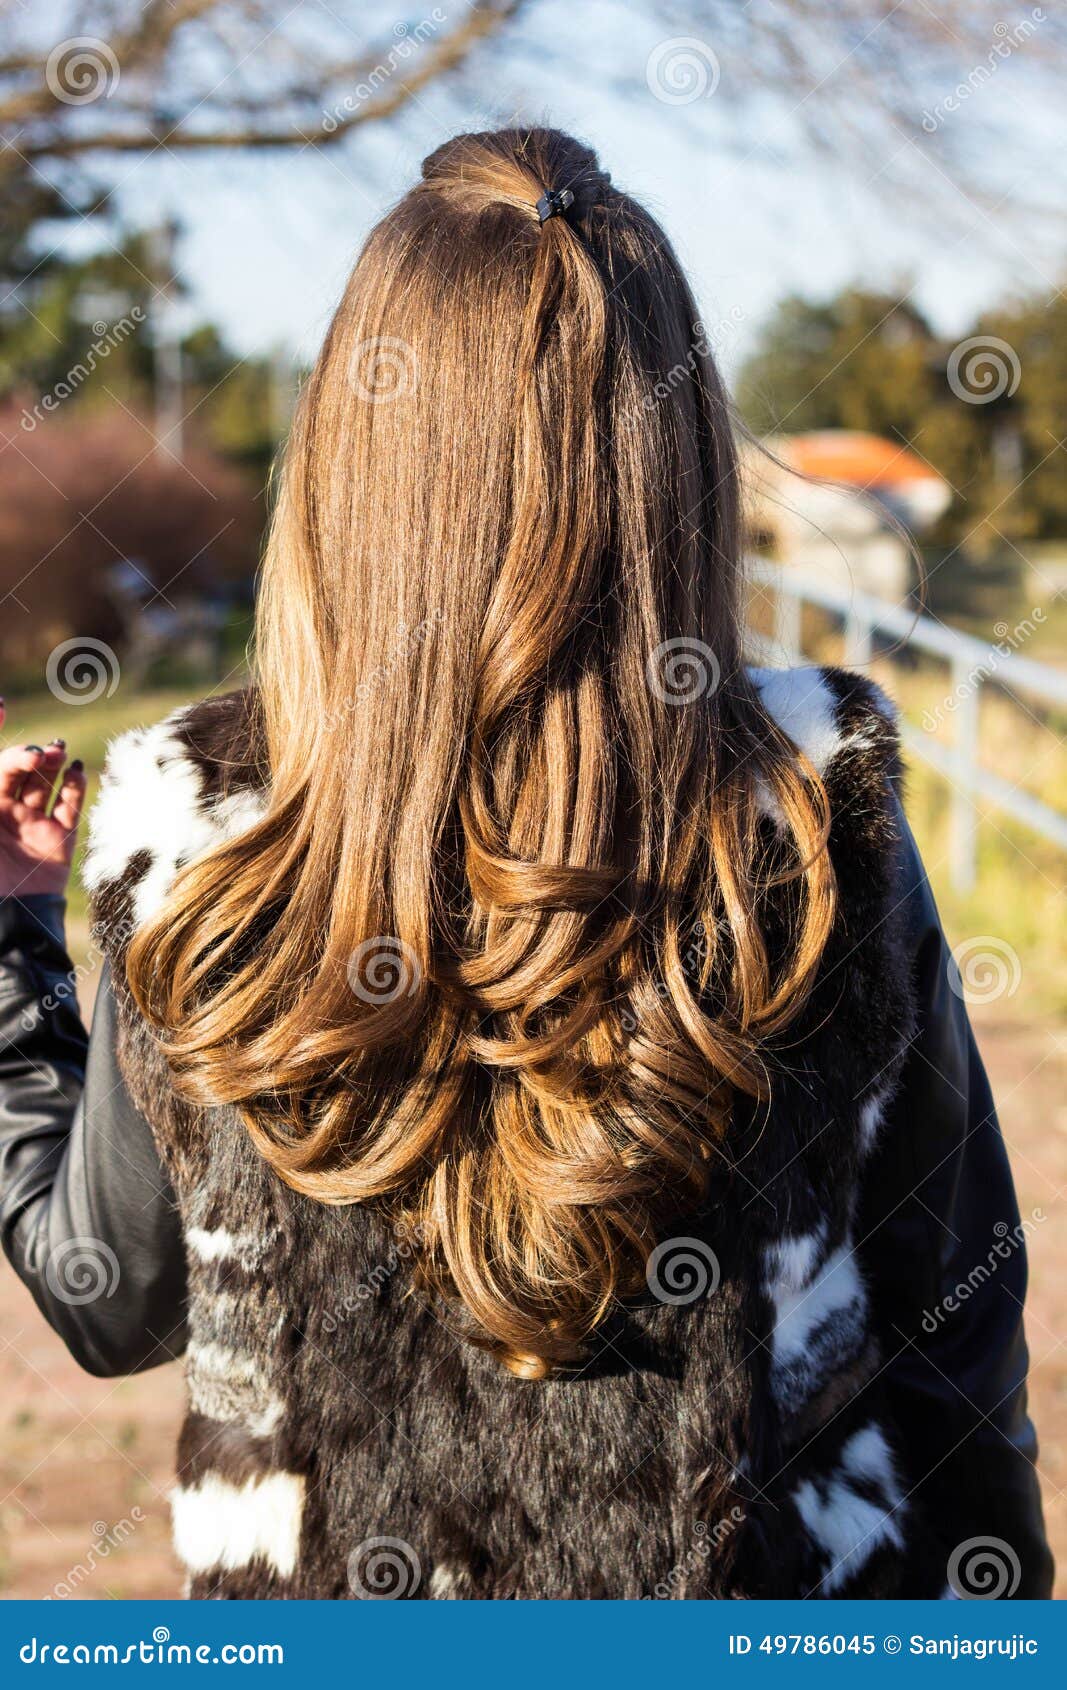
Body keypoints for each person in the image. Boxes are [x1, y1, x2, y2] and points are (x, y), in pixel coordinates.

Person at [0, 127, 1052, 1601]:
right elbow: (957, 1344)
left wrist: (16, 943)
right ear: (672, 465)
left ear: (348, 459)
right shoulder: (815, 826)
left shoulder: (203, 843)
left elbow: (110, 1300)